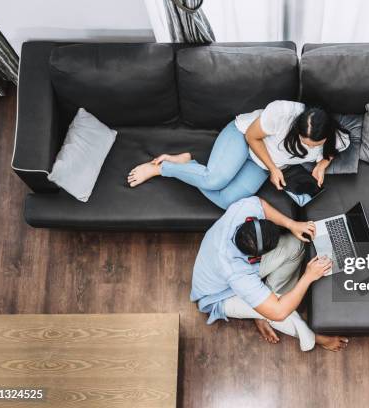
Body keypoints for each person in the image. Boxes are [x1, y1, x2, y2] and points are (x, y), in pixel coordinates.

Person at [190, 196, 349, 352]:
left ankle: (262, 306)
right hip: (218, 296)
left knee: (295, 244)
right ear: (256, 256)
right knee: (279, 310)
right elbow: (278, 312)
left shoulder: (242, 210)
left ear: (251, 220)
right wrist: (308, 277)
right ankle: (314, 338)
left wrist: (291, 224)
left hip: (227, 268)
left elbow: (261, 205)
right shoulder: (236, 273)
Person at [127, 100, 350, 209]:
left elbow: (331, 152)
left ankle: (188, 163)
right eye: (303, 141)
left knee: (228, 201)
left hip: (260, 164)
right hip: (244, 138)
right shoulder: (281, 112)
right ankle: (162, 168)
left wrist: (321, 164)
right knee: (214, 180)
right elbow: (252, 137)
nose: (309, 147)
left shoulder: (338, 139)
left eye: (316, 143)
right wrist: (273, 169)